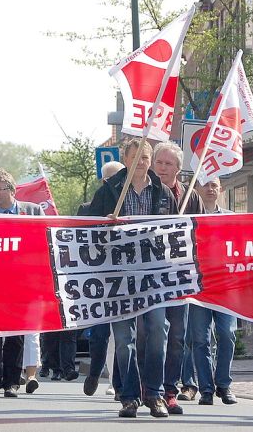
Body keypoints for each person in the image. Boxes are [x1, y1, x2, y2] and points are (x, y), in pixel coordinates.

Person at [87, 137, 178, 418]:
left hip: (153, 276)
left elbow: (174, 233)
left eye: (145, 158)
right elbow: (88, 229)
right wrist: (106, 223)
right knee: (124, 337)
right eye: (135, 157)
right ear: (125, 160)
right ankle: (128, 396)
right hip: (119, 275)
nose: (141, 163)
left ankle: (154, 394)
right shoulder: (109, 191)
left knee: (156, 333)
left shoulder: (163, 193)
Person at [0, 168, 43, 397]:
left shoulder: (33, 211)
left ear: (12, 190)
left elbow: (43, 241)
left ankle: (12, 381)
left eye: (0, 189)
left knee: (16, 334)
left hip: (22, 281)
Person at [152, 141, 202, 415]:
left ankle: (170, 390)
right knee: (154, 332)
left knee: (177, 336)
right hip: (149, 279)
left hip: (180, 277)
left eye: (169, 164)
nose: (162, 168)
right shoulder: (145, 192)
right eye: (159, 162)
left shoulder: (190, 196)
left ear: (178, 168)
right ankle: (151, 389)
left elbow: (203, 232)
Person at [188, 178, 239, 407]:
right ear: (196, 189)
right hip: (198, 287)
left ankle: (224, 384)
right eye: (205, 185)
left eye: (214, 185)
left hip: (226, 287)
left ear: (221, 190)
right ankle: (206, 389)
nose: (210, 189)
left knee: (227, 334)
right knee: (200, 339)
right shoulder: (188, 220)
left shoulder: (231, 218)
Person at [80, 160, 124, 398]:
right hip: (97, 281)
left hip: (124, 281)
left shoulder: (132, 204)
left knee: (123, 335)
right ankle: (94, 372)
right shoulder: (87, 209)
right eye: (110, 179)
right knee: (99, 335)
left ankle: (119, 384)